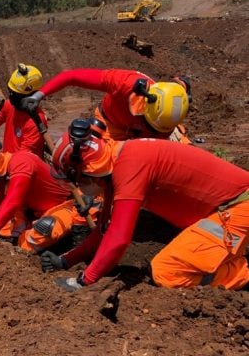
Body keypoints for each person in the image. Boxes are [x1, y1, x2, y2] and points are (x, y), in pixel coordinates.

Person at [41, 118, 249, 291]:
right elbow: (105, 231)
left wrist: (83, 281)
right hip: (228, 209)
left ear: (88, 169)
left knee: (167, 272)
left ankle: (242, 274)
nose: (81, 187)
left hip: (236, 209)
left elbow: (119, 239)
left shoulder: (129, 167)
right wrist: (66, 260)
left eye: (79, 180)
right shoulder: (119, 160)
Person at [0, 135, 96, 252]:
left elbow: (13, 201)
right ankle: (18, 235)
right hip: (31, 207)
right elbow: (3, 198)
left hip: (64, 205)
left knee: (44, 229)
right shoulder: (4, 170)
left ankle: (22, 245)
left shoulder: (21, 163)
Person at [20, 68, 192, 143]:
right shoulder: (123, 83)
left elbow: (181, 87)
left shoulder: (169, 116)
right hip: (111, 125)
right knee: (99, 163)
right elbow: (71, 76)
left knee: (181, 150)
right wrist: (38, 95)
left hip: (146, 135)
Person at [0, 63, 48, 158]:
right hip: (8, 162)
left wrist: (0, 161)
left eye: (16, 94)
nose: (11, 96)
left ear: (32, 96)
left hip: (24, 168)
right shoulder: (10, 106)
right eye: (11, 92)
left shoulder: (36, 122)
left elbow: (23, 158)